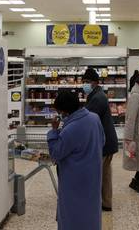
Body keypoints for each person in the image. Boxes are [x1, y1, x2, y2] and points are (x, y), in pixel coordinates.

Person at [47, 90, 105, 230]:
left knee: (73, 213)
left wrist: (54, 131)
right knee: (91, 210)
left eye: (60, 111)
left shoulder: (71, 128)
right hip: (93, 175)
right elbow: (102, 140)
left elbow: (56, 153)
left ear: (64, 111)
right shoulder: (94, 118)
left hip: (74, 179)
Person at [82, 67, 119, 211]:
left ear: (95, 82)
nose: (85, 84)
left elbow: (88, 119)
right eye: (83, 81)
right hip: (106, 141)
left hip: (104, 143)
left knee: (100, 174)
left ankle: (102, 202)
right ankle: (105, 202)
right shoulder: (96, 95)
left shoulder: (98, 98)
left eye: (87, 81)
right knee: (105, 174)